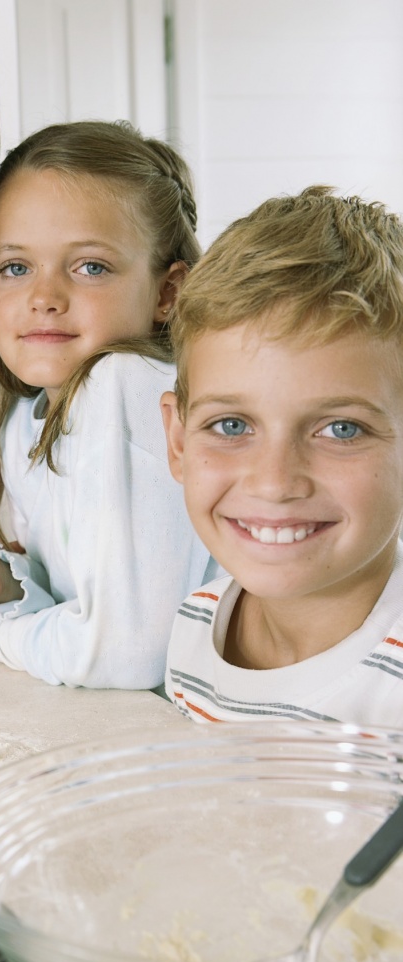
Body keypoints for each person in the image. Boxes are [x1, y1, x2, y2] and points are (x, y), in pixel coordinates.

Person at [0, 121, 214, 689]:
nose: (43, 298)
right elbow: (76, 596)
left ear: (167, 293)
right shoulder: (23, 415)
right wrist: (5, 581)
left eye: (90, 267)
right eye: (15, 267)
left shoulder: (130, 386)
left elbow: (123, 655)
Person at [162, 187, 403, 728]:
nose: (274, 483)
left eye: (340, 429)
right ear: (178, 441)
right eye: (231, 426)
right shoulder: (196, 625)